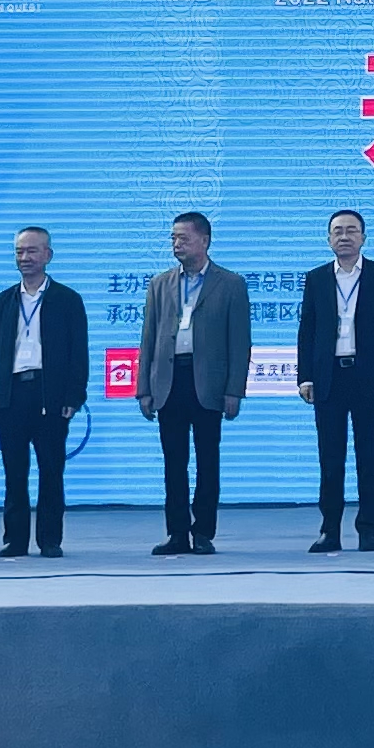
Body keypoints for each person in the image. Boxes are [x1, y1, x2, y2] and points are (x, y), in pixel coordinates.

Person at [136, 210, 249, 555]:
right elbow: (148, 338)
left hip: (208, 383)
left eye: (183, 238)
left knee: (207, 461)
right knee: (174, 463)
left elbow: (239, 342)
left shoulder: (230, 284)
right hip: (169, 381)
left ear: (205, 240)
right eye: (173, 238)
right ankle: (176, 533)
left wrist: (234, 390)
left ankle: (203, 532)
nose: (176, 244)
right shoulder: (160, 284)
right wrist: (144, 389)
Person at [295, 208, 374, 553]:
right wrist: (305, 377)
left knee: (369, 457)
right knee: (330, 459)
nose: (344, 236)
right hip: (328, 377)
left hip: (368, 377)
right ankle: (330, 531)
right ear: (328, 239)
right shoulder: (316, 278)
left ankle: (368, 530)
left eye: (351, 230)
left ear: (363, 238)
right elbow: (307, 331)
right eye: (338, 231)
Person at [0, 226, 85, 558]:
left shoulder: (67, 299)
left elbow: (78, 353)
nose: (25, 257)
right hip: (12, 394)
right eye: (19, 252)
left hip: (49, 395)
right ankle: (15, 539)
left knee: (51, 470)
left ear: (48, 255)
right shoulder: (4, 300)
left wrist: (73, 396)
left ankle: (50, 539)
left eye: (32, 251)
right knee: (14, 472)